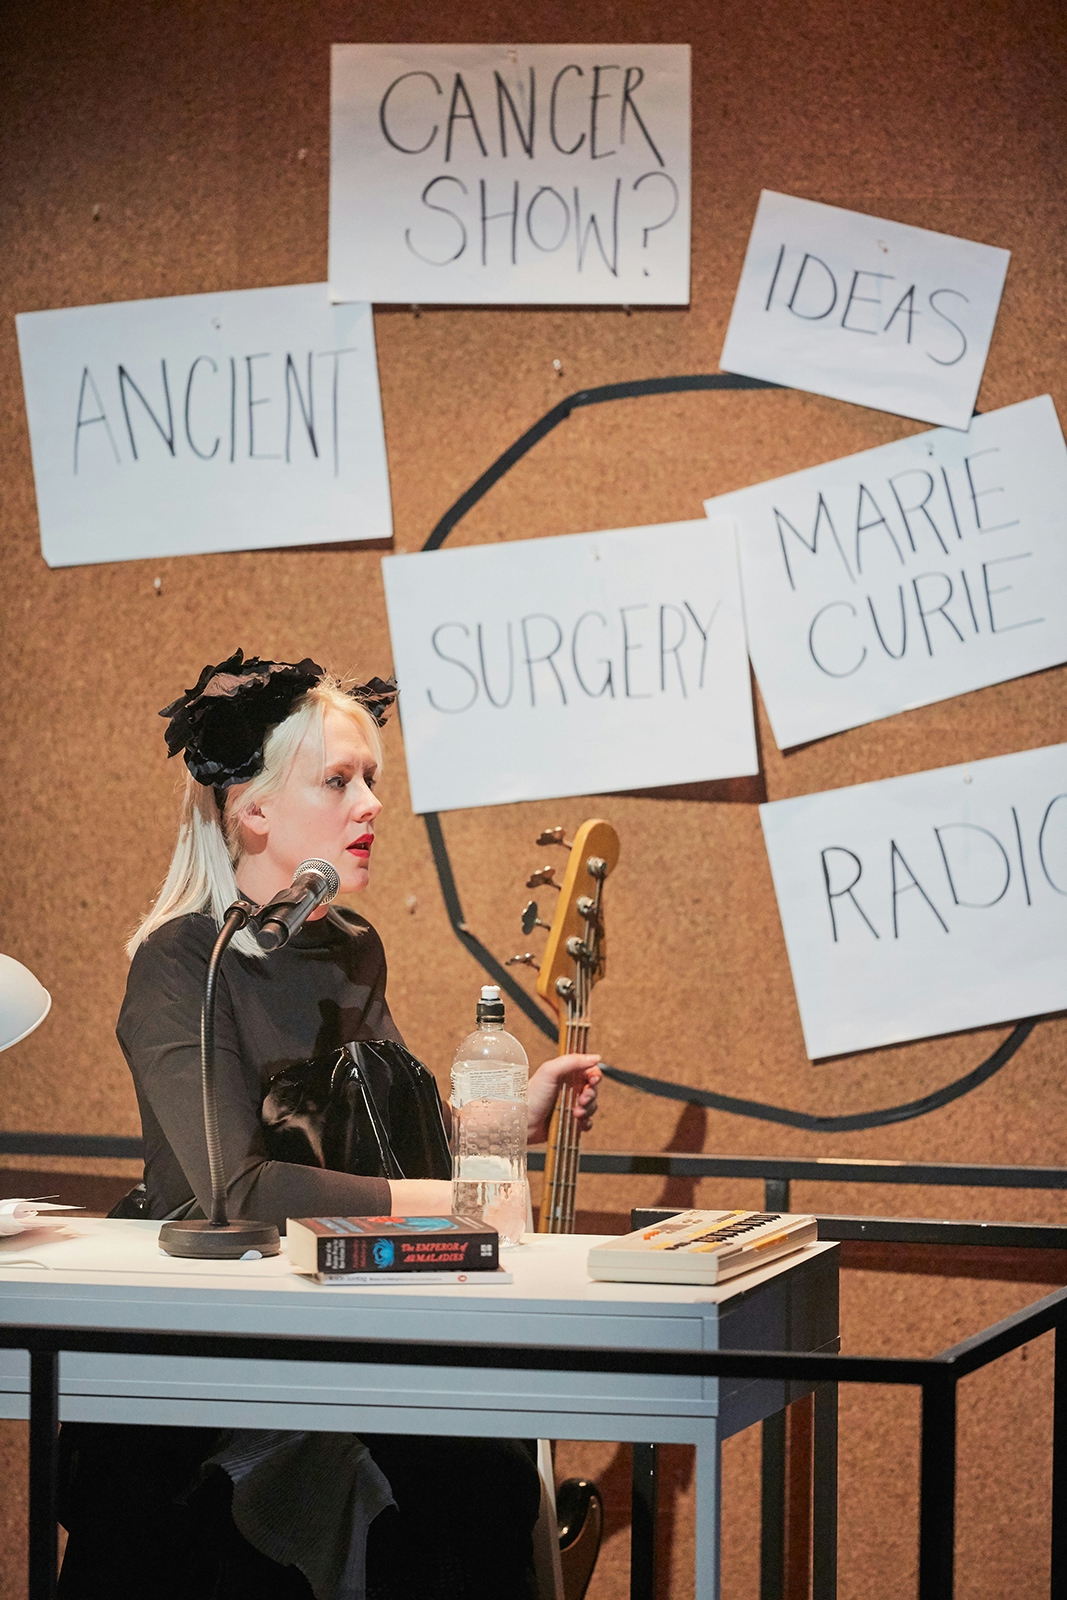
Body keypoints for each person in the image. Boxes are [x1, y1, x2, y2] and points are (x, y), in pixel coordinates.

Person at [57, 650, 601, 1600]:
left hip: (339, 1320)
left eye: (373, 782)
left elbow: (383, 1131)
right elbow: (239, 1192)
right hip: (206, 1352)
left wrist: (513, 1115)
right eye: (338, 781)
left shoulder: (350, 949)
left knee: (485, 1484)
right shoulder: (185, 963)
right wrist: (450, 1200)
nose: (370, 806)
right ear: (254, 810)